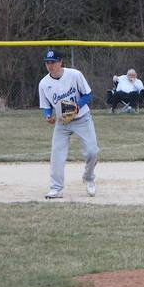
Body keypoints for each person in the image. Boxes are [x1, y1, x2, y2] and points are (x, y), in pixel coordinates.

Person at [38, 50, 99, 199]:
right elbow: (45, 105)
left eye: (53, 62)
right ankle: (56, 188)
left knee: (92, 152)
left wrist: (76, 106)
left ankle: (89, 178)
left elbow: (88, 94)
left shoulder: (75, 75)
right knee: (57, 155)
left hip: (82, 118)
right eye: (47, 62)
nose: (50, 65)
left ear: (60, 62)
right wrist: (47, 116)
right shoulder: (44, 83)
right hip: (62, 123)